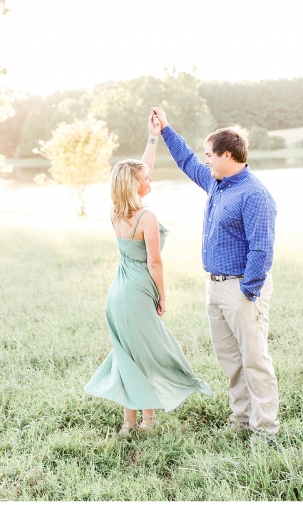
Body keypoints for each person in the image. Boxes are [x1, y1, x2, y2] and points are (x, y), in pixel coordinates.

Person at [151, 106, 279, 438]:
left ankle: (265, 430)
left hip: (241, 290)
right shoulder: (216, 183)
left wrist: (247, 292)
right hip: (215, 287)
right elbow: (186, 161)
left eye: (210, 154)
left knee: (255, 362)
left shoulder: (254, 195)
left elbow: (262, 249)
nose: (205, 160)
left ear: (226, 155)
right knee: (231, 362)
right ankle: (240, 421)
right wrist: (166, 128)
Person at [84, 113, 212, 437]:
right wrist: (162, 297)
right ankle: (149, 421)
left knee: (127, 354)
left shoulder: (116, 211)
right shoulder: (147, 216)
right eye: (147, 179)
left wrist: (153, 137)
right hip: (140, 289)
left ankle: (130, 423)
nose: (151, 179)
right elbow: (155, 263)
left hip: (118, 291)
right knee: (148, 355)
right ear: (136, 185)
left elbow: (139, 170)